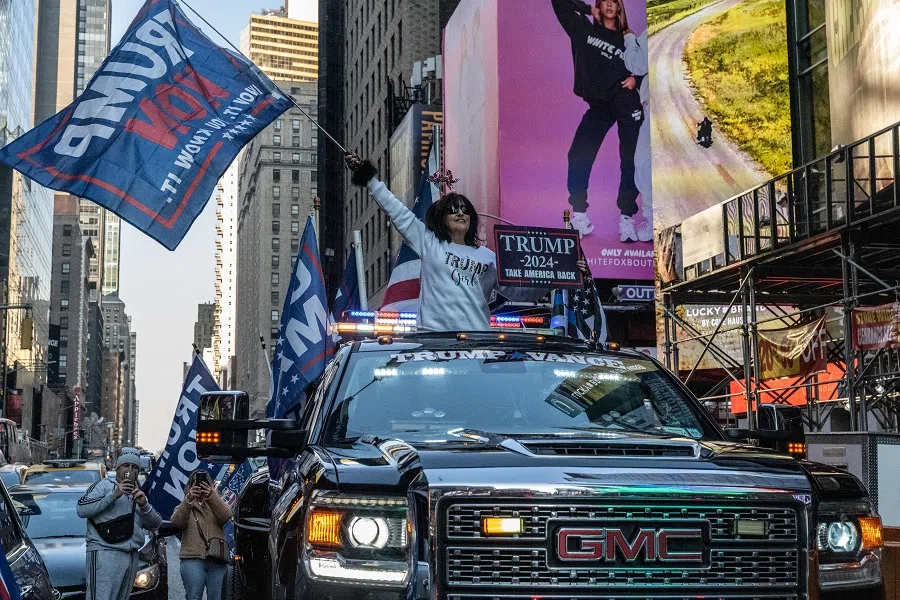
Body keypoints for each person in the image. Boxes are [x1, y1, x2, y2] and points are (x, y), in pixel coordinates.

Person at [345, 153, 588, 332]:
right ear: (442, 219)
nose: (460, 214)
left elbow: (518, 290)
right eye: (453, 211)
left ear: (471, 218)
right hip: (434, 338)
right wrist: (370, 180)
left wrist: (563, 275)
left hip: (477, 338)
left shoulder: (488, 256)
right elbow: (397, 212)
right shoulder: (429, 243)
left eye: (465, 210)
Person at [552, 0, 646, 242]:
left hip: (626, 103)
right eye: (604, 0)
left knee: (631, 159)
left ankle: (627, 218)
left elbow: (647, 65)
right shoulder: (584, 30)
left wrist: (637, 78)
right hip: (599, 105)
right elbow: (559, 4)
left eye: (615, 1)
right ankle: (579, 213)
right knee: (578, 154)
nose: (610, 4)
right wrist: (586, 9)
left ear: (620, 8)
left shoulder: (629, 39)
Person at [77, 449, 162, 600]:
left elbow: (155, 524)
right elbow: (82, 509)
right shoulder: (103, 486)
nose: (129, 470)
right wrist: (114, 495)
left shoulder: (139, 493)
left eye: (134, 467)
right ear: (117, 468)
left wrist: (144, 505)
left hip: (131, 555)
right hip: (105, 553)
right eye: (126, 466)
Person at [171, 469, 232, 600]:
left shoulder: (216, 504)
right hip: (192, 559)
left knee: (217, 597)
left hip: (217, 560)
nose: (199, 486)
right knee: (194, 596)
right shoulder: (184, 505)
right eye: (195, 483)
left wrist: (212, 496)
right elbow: (177, 522)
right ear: (189, 486)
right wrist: (189, 499)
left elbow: (226, 516)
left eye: (205, 483)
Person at [623, 27, 651, 242]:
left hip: (654, 109)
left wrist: (630, 39)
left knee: (643, 164)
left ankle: (652, 221)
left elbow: (636, 64)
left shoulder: (648, 32)